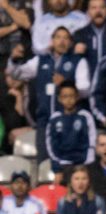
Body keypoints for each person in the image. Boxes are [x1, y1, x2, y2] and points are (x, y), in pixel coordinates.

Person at [6, 27, 89, 161]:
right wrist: (14, 60)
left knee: (67, 161)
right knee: (43, 161)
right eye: (58, 37)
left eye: (65, 38)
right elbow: (17, 74)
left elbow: (85, 91)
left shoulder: (78, 61)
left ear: (70, 42)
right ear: (52, 41)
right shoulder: (41, 60)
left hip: (69, 120)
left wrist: (66, 83)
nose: (61, 41)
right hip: (45, 122)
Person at [45, 82, 97, 182]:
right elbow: (50, 146)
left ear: (77, 97)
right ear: (59, 99)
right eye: (65, 96)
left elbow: (92, 142)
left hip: (82, 164)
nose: (68, 100)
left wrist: (88, 165)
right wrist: (57, 169)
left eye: (71, 96)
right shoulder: (54, 118)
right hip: (62, 165)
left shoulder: (85, 116)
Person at [73, 0, 106, 74]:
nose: (98, 11)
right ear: (88, 11)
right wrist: (76, 54)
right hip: (88, 78)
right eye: (94, 8)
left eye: (102, 7)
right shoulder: (80, 34)